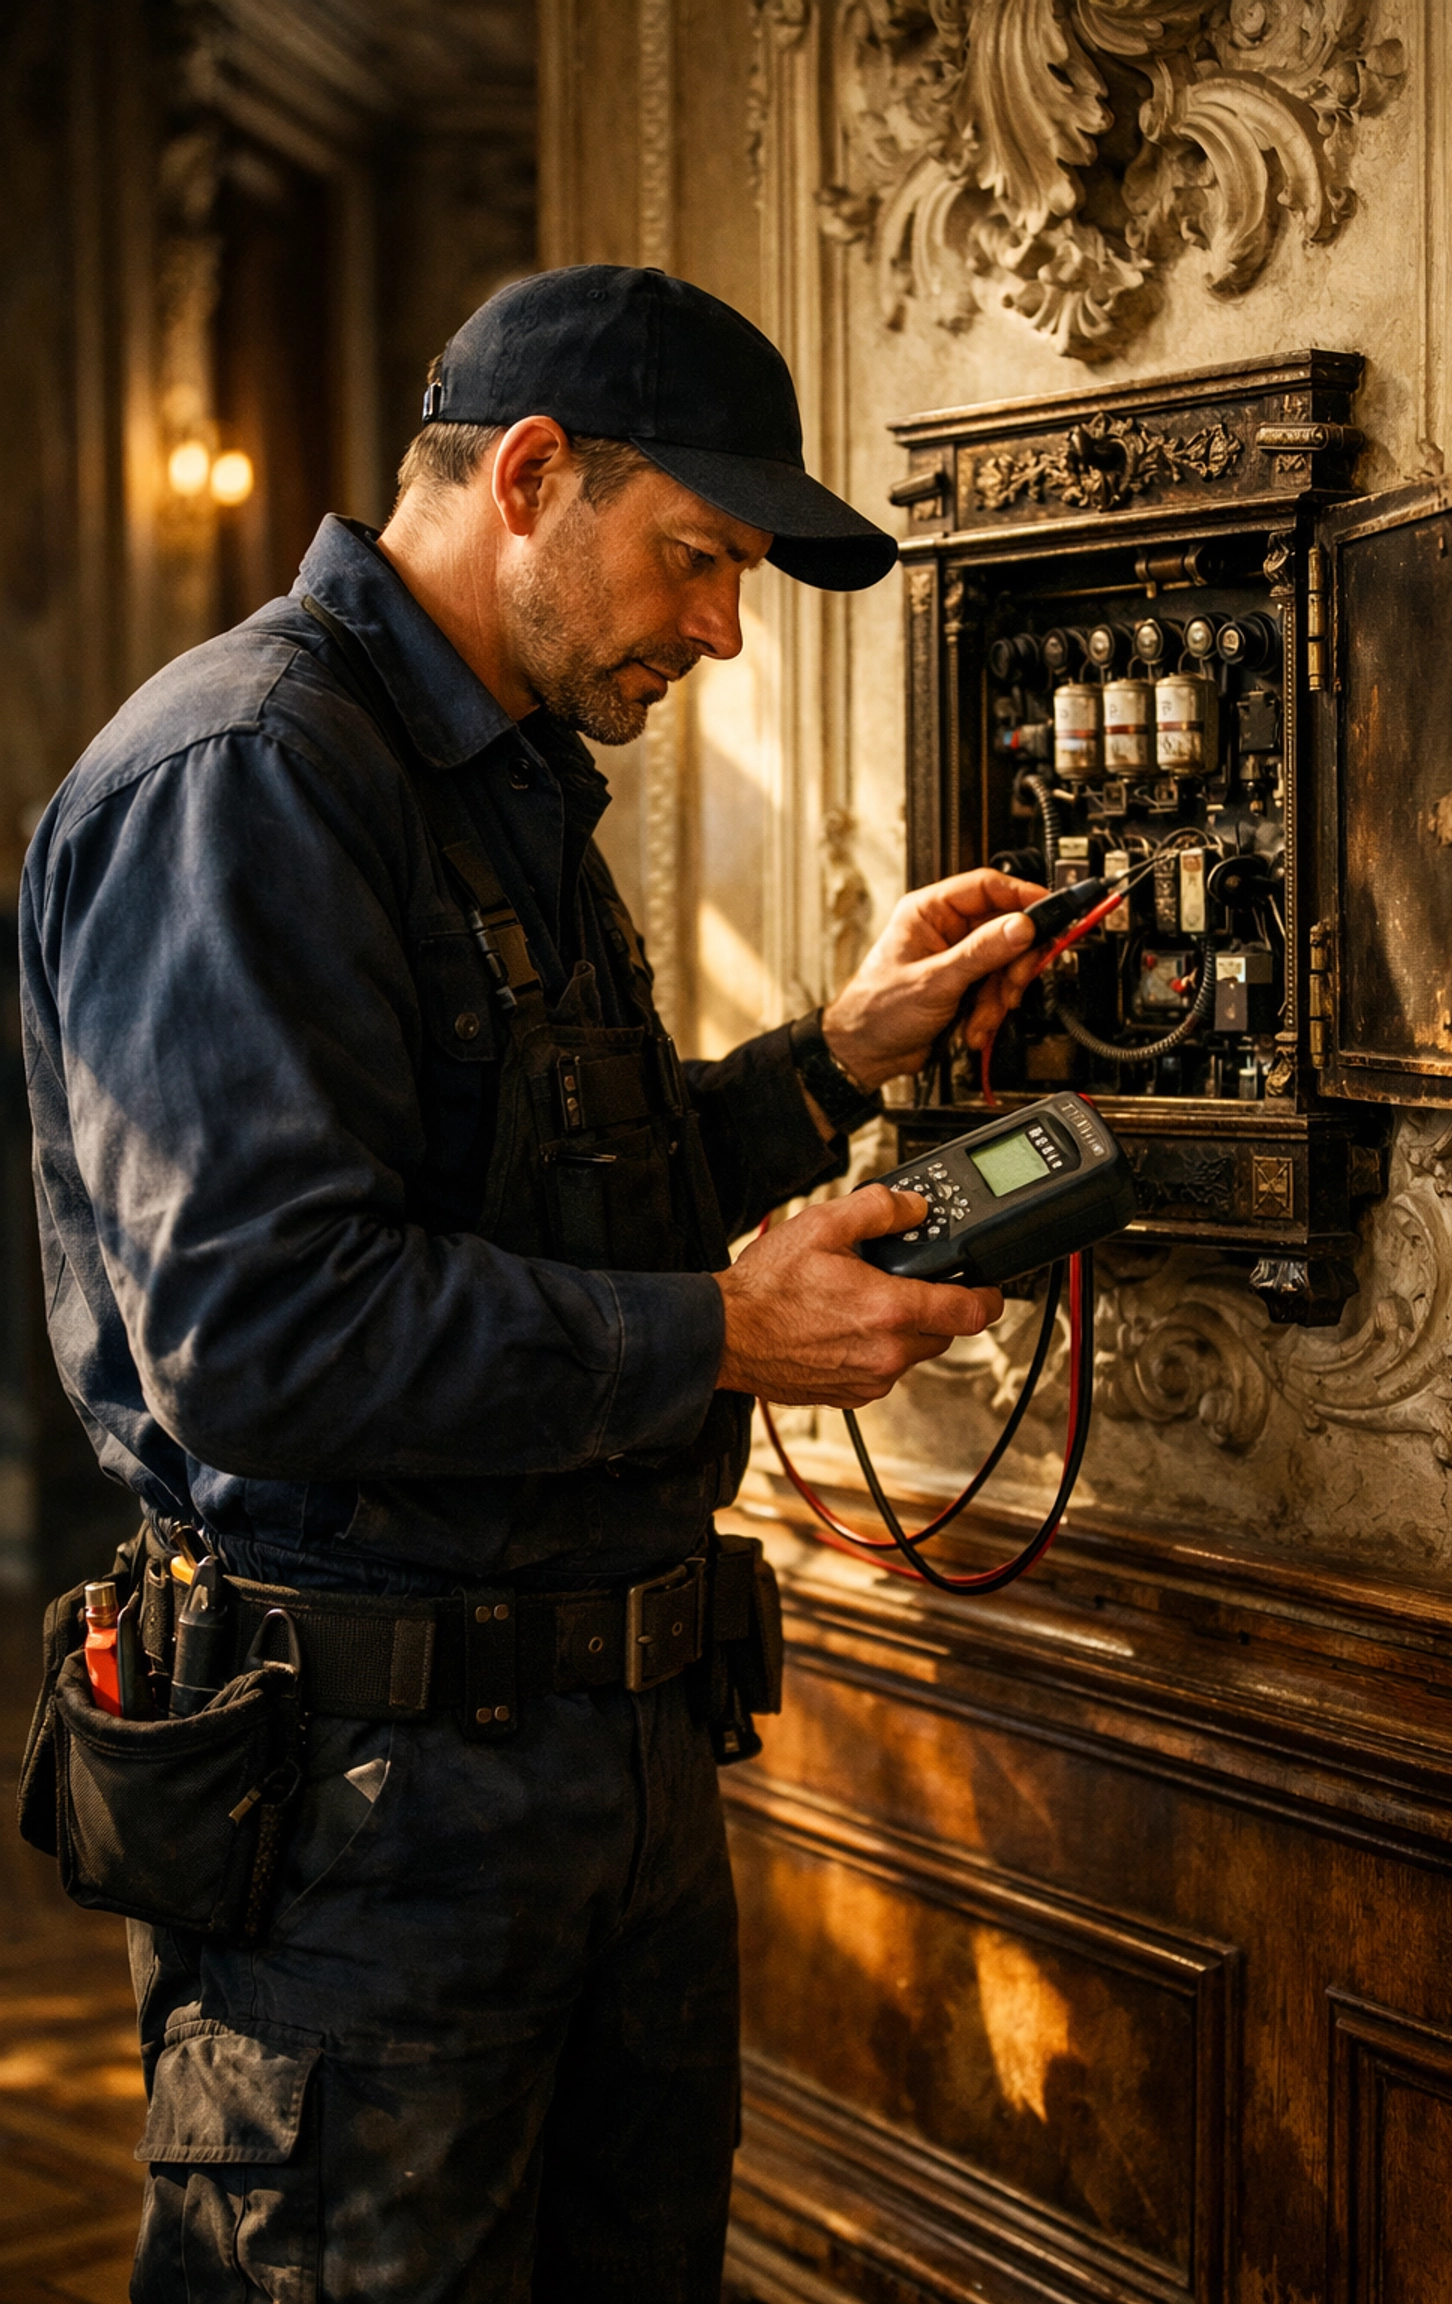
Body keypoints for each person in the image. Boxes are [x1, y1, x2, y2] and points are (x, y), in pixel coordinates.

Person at [20, 266, 1044, 2301]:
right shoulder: (248, 772)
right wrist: (734, 1331)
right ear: (534, 476)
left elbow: (547, 1189)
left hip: (606, 1783)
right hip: (364, 1836)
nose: (722, 631)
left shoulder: (496, 778)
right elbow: (265, 1329)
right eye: (697, 559)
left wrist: (837, 1058)